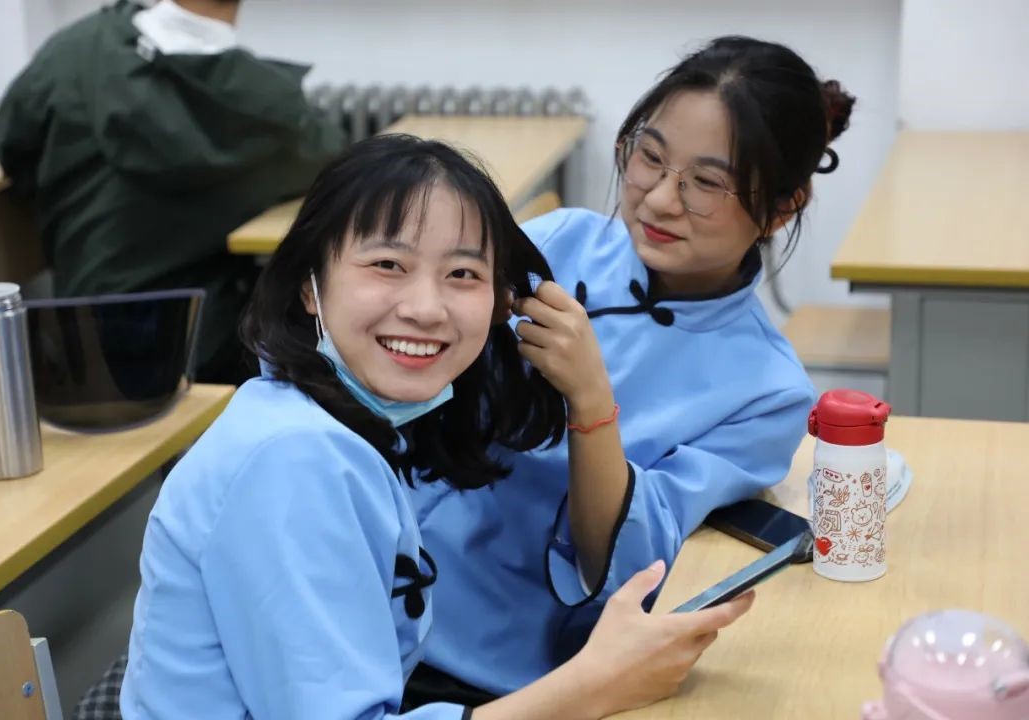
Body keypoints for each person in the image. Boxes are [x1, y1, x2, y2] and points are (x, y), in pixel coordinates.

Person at [120, 134, 755, 720]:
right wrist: (594, 684)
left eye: (462, 275)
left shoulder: (347, 429)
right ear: (310, 287)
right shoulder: (295, 460)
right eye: (387, 265)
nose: (426, 309)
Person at [407, 35, 855, 704]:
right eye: (649, 157)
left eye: (707, 183)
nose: (660, 200)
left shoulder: (767, 391)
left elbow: (625, 568)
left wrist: (591, 400)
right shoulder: (559, 241)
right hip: (374, 573)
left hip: (502, 660)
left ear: (782, 208)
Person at [0, 0, 345, 384]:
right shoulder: (265, 107)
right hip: (195, 345)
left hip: (77, 338)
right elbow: (328, 164)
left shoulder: (72, 53)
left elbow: (11, 145)